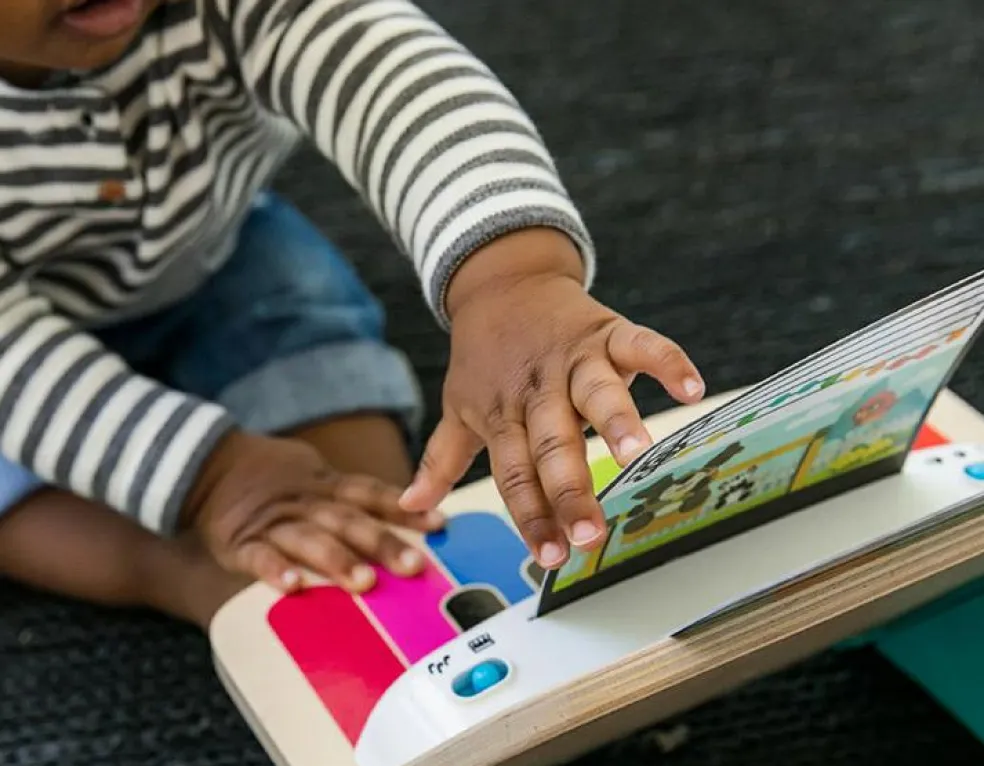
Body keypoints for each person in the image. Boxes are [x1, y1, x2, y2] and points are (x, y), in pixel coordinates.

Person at [0, 0, 705, 629]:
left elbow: (393, 77)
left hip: (217, 259)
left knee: (364, 514)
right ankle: (176, 569)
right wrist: (209, 477)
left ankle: (355, 574)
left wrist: (510, 280)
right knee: (52, 512)